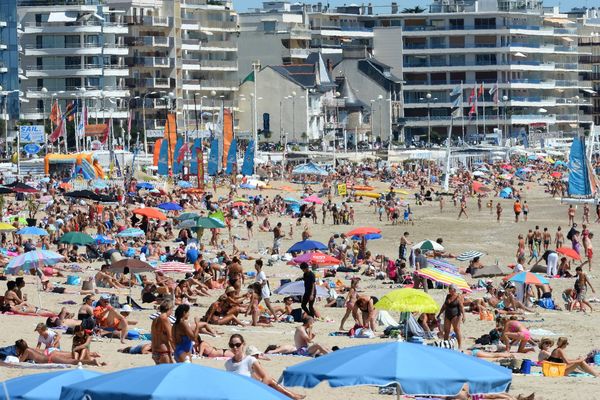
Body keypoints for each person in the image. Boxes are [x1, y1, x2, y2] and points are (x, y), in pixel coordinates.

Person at [225, 334, 305, 400]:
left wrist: (258, 392)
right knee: (270, 381)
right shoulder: (228, 364)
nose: (235, 347)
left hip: (250, 394)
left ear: (243, 344)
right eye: (232, 345)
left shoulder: (250, 360)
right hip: (237, 395)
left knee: (269, 380)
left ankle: (292, 396)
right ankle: (292, 396)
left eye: (237, 345)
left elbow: (266, 377)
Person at [15, 339, 104, 366]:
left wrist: (18, 356)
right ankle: (94, 361)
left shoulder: (27, 351)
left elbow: (20, 362)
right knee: (73, 361)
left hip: (50, 359)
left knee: (74, 362)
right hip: (51, 357)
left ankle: (92, 362)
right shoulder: (29, 349)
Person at [436, 284, 465, 349]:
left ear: (454, 290)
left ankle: (460, 346)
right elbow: (444, 306)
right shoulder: (448, 296)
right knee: (446, 331)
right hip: (447, 315)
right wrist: (439, 314)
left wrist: (464, 316)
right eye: (449, 288)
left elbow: (461, 307)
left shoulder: (458, 297)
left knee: (456, 330)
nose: (449, 290)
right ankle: (445, 344)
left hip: (456, 315)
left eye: (450, 288)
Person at [151, 300, 174, 364]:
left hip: (155, 351)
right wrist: (176, 349)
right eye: (172, 310)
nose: (172, 312)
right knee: (168, 372)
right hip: (163, 351)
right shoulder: (165, 319)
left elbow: (152, 335)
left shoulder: (155, 320)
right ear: (169, 309)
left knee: (160, 373)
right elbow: (171, 337)